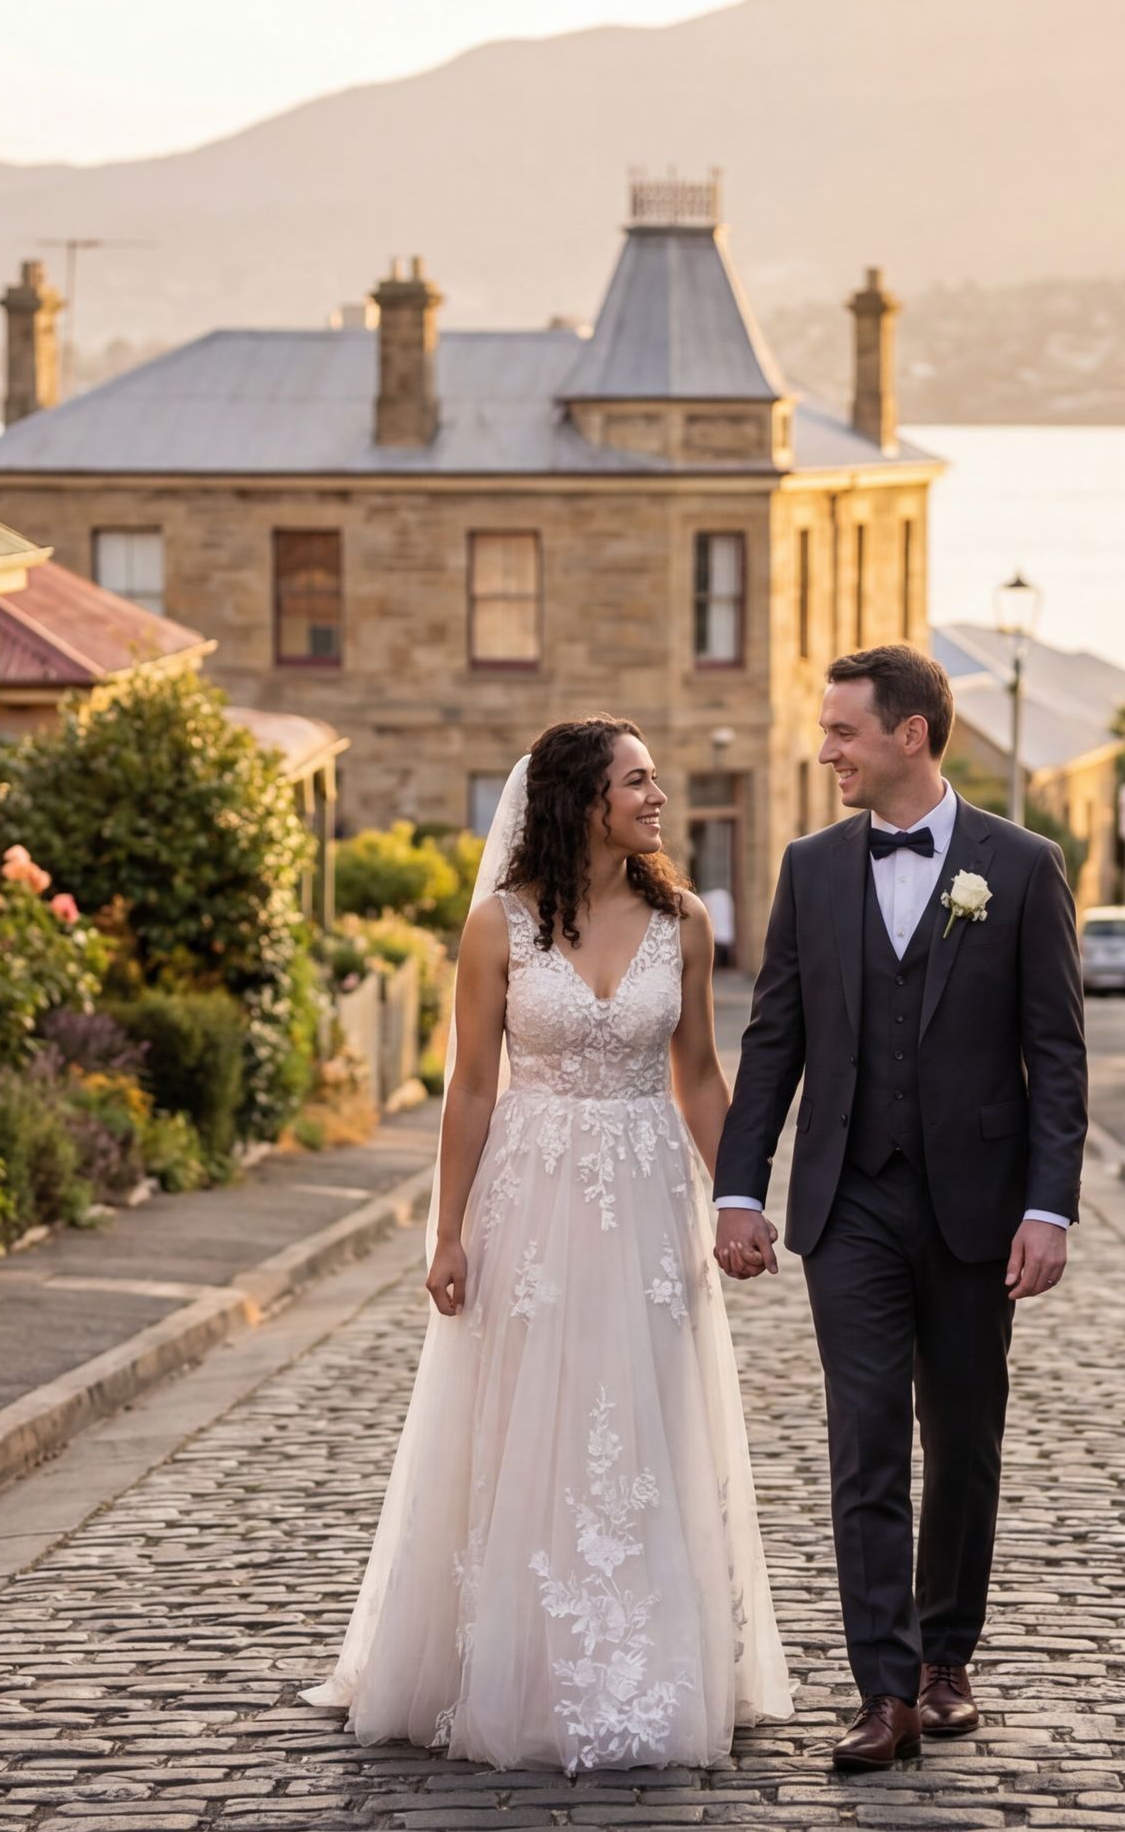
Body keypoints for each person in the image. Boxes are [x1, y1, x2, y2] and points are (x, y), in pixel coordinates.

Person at [306, 717, 794, 1771]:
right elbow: (472, 1087)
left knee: (644, 1416)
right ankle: (513, 1659)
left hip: (649, 1195)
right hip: (530, 1198)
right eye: (638, 782)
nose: (657, 799)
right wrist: (447, 1232)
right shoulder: (499, 928)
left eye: (655, 781)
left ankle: (651, 1657)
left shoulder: (686, 922)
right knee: (531, 1418)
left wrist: (740, 1200)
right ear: (583, 800)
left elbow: (700, 1077)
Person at [713, 644, 1087, 1771]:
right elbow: (774, 1039)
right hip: (852, 1202)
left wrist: (1049, 1209)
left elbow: (1056, 1054)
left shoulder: (1020, 868)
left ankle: (946, 1662)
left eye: (842, 732)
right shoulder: (811, 869)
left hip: (978, 1207)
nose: (825, 749)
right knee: (865, 1437)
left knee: (963, 1435)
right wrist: (740, 1186)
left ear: (909, 736)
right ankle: (883, 1691)